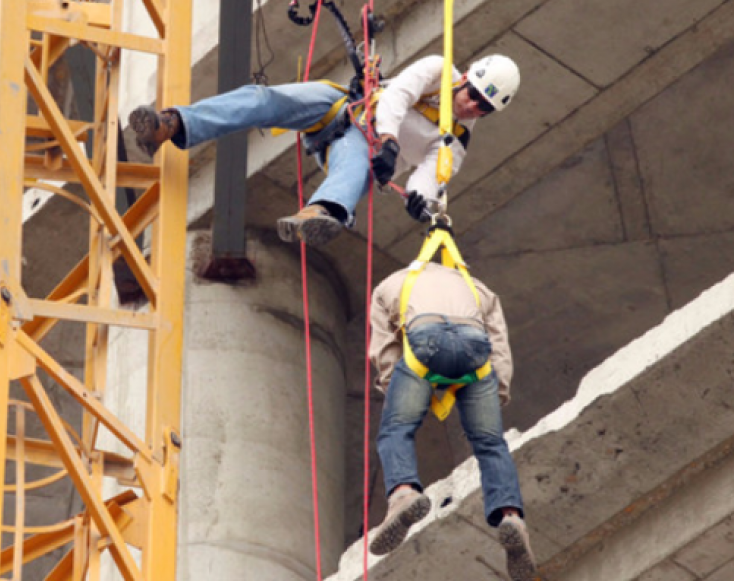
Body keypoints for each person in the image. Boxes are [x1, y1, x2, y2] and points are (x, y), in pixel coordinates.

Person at [128, 54, 520, 246]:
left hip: (361, 149)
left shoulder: (455, 141)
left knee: (351, 170)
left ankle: (320, 214)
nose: (472, 106)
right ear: (466, 77)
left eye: (484, 107)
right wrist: (390, 139)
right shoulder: (438, 70)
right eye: (473, 95)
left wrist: (421, 201)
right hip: (345, 108)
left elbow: (431, 176)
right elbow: (398, 95)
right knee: (265, 100)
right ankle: (173, 124)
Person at [367, 254, 537, 580]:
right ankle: (511, 515)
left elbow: (384, 348)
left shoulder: (390, 285)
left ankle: (404, 493)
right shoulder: (477, 288)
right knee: (490, 443)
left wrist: (397, 389)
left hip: (425, 343)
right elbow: (498, 342)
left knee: (396, 429)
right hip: (476, 355)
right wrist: (497, 390)